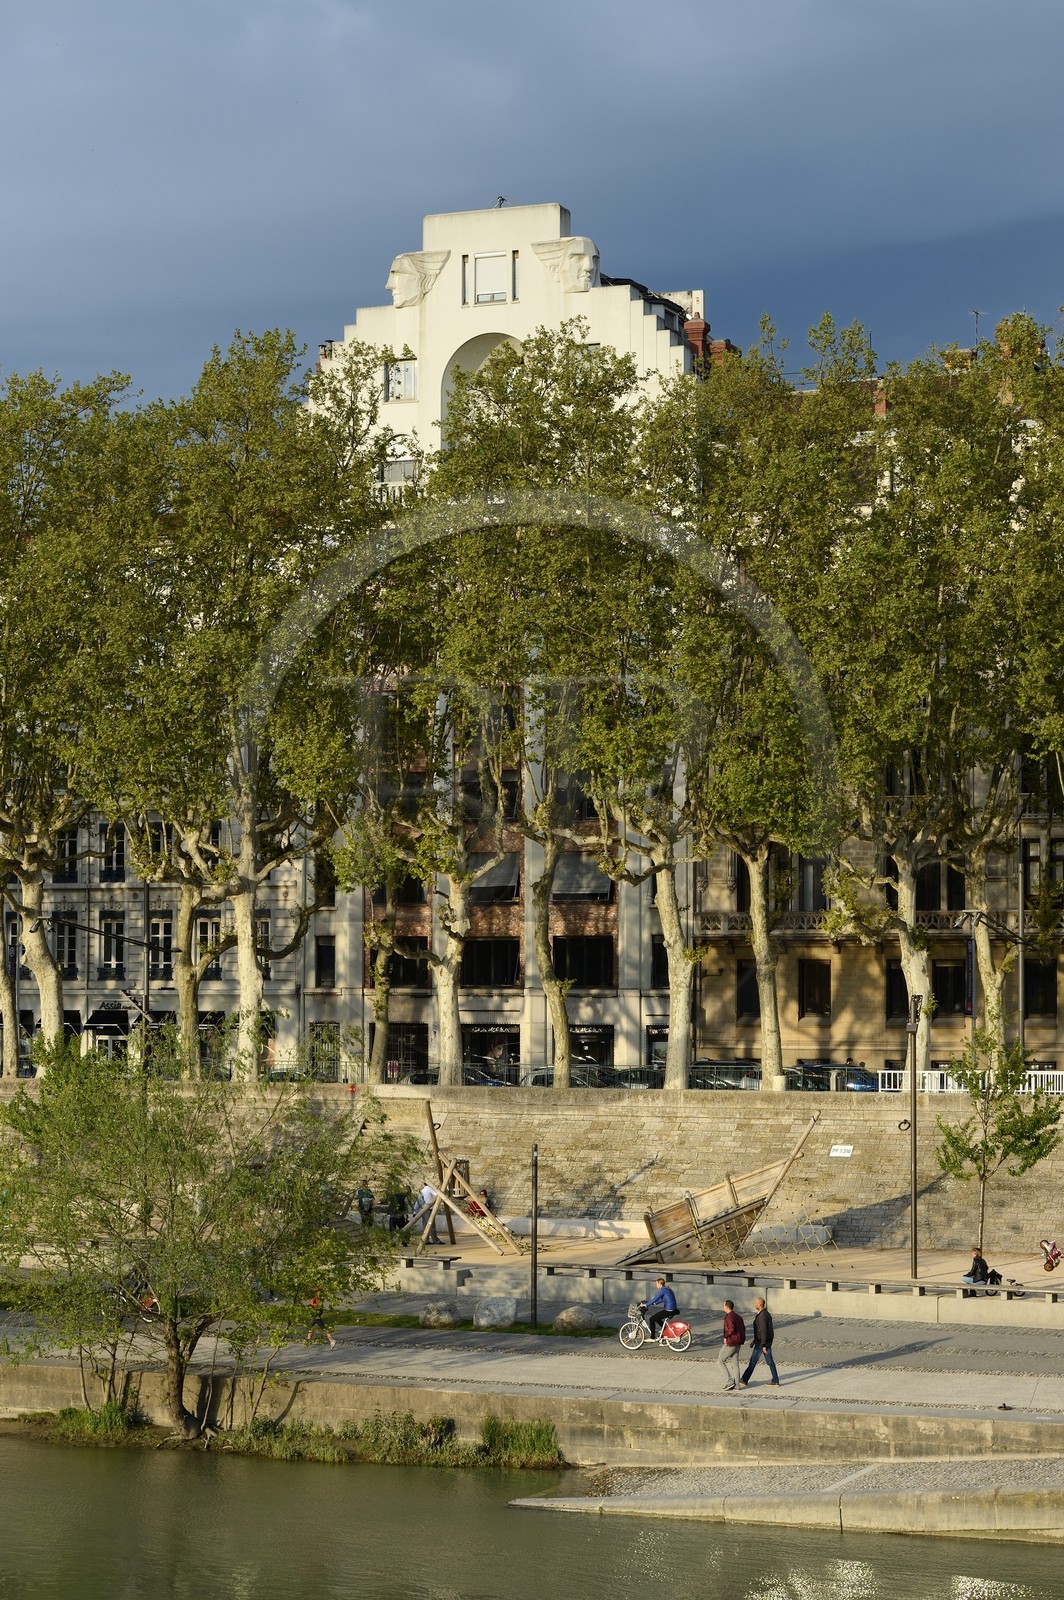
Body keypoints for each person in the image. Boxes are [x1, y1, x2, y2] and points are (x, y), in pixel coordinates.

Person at [739, 1297, 779, 1388]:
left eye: (755, 1303)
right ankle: (775, 1380)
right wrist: (754, 1340)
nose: (754, 1304)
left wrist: (763, 1344)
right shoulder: (765, 1314)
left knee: (753, 1361)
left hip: (762, 1343)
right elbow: (763, 1331)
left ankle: (744, 1380)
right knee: (769, 1361)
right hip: (763, 1342)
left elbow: (763, 1331)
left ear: (760, 1304)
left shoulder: (762, 1316)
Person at [718, 1299, 746, 1390]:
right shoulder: (738, 1316)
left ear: (726, 1306)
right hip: (738, 1343)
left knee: (720, 1361)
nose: (723, 1306)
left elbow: (731, 1329)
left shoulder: (729, 1317)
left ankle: (729, 1381)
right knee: (735, 1364)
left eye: (723, 1305)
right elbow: (743, 1329)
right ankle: (737, 1385)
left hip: (731, 1343)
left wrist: (726, 1337)